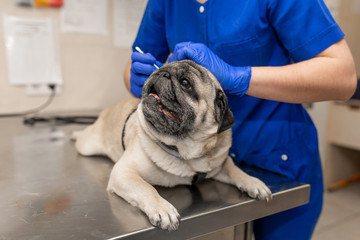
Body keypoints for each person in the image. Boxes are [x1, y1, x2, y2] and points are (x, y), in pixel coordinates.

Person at [123, 0, 357, 239]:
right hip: (195, 166)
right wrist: (136, 75)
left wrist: (239, 77)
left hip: (277, 157)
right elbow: (137, 59)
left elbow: (343, 78)